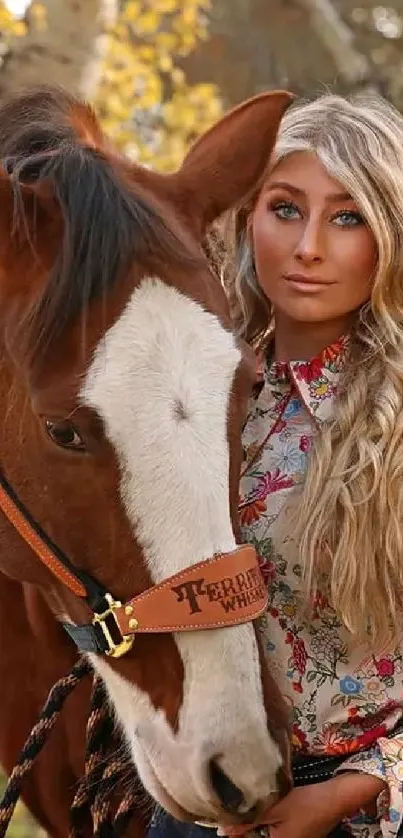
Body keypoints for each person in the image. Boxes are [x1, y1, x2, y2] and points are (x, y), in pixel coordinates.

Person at [148, 92, 403, 838]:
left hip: (357, 815)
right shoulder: (190, 394)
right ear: (247, 216)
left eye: (347, 216)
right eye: (285, 208)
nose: (308, 247)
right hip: (199, 797)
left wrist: (352, 788)